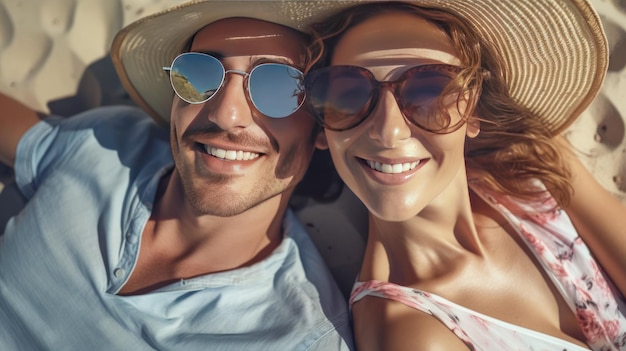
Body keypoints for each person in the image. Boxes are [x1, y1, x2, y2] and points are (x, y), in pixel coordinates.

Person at [0, 1, 356, 349]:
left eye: (279, 85)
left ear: (324, 123)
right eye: (200, 73)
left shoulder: (303, 338)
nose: (225, 114)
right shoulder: (110, 142)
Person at [303, 1, 626, 350]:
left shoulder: (528, 161)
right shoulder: (412, 333)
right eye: (349, 94)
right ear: (322, 125)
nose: (389, 130)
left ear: (473, 110)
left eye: (429, 89)